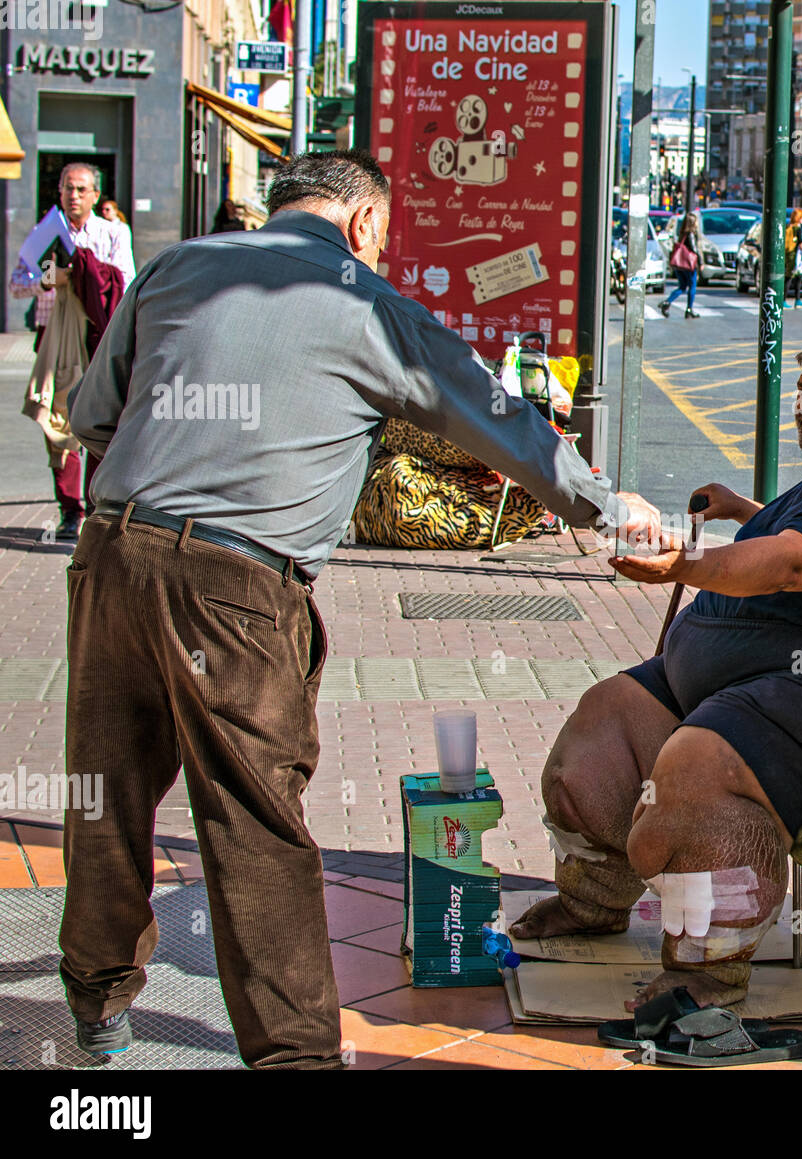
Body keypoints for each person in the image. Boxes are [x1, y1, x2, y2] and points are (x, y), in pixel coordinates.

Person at [62, 149, 663, 1068]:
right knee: (254, 824)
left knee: (103, 796)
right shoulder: (369, 306)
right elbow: (497, 418)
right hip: (236, 590)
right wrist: (606, 509)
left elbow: (91, 413)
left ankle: (99, 1014)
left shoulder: (177, 266)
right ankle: (295, 1057)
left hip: (110, 554)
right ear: (363, 225)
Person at [510, 334, 802, 1011]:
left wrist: (680, 564)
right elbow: (794, 530)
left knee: (696, 774)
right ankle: (592, 904)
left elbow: (795, 562)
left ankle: (704, 972)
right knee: (597, 734)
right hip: (722, 684)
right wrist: (743, 509)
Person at [8, 163, 135, 540]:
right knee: (57, 423)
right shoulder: (46, 232)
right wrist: (48, 278)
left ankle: (95, 509)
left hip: (97, 339)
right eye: (68, 188)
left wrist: (80, 273)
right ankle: (69, 510)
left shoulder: (113, 232)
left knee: (96, 423)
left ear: (96, 194)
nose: (74, 196)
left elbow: (124, 282)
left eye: (81, 189)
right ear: (59, 192)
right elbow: (17, 284)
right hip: (54, 338)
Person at [660, 212, 700, 319]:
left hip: (679, 265)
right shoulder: (691, 234)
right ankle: (689, 309)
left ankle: (667, 302)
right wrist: (700, 262)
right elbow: (694, 250)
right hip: (688, 265)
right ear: (692, 223)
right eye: (696, 222)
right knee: (692, 286)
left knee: (682, 287)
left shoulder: (682, 233)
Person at [784, 208, 802, 307]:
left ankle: (797, 299)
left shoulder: (788, 226)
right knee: (789, 277)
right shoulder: (797, 229)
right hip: (795, 256)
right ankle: (785, 300)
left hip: (789, 255)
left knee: (797, 277)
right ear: (799, 218)